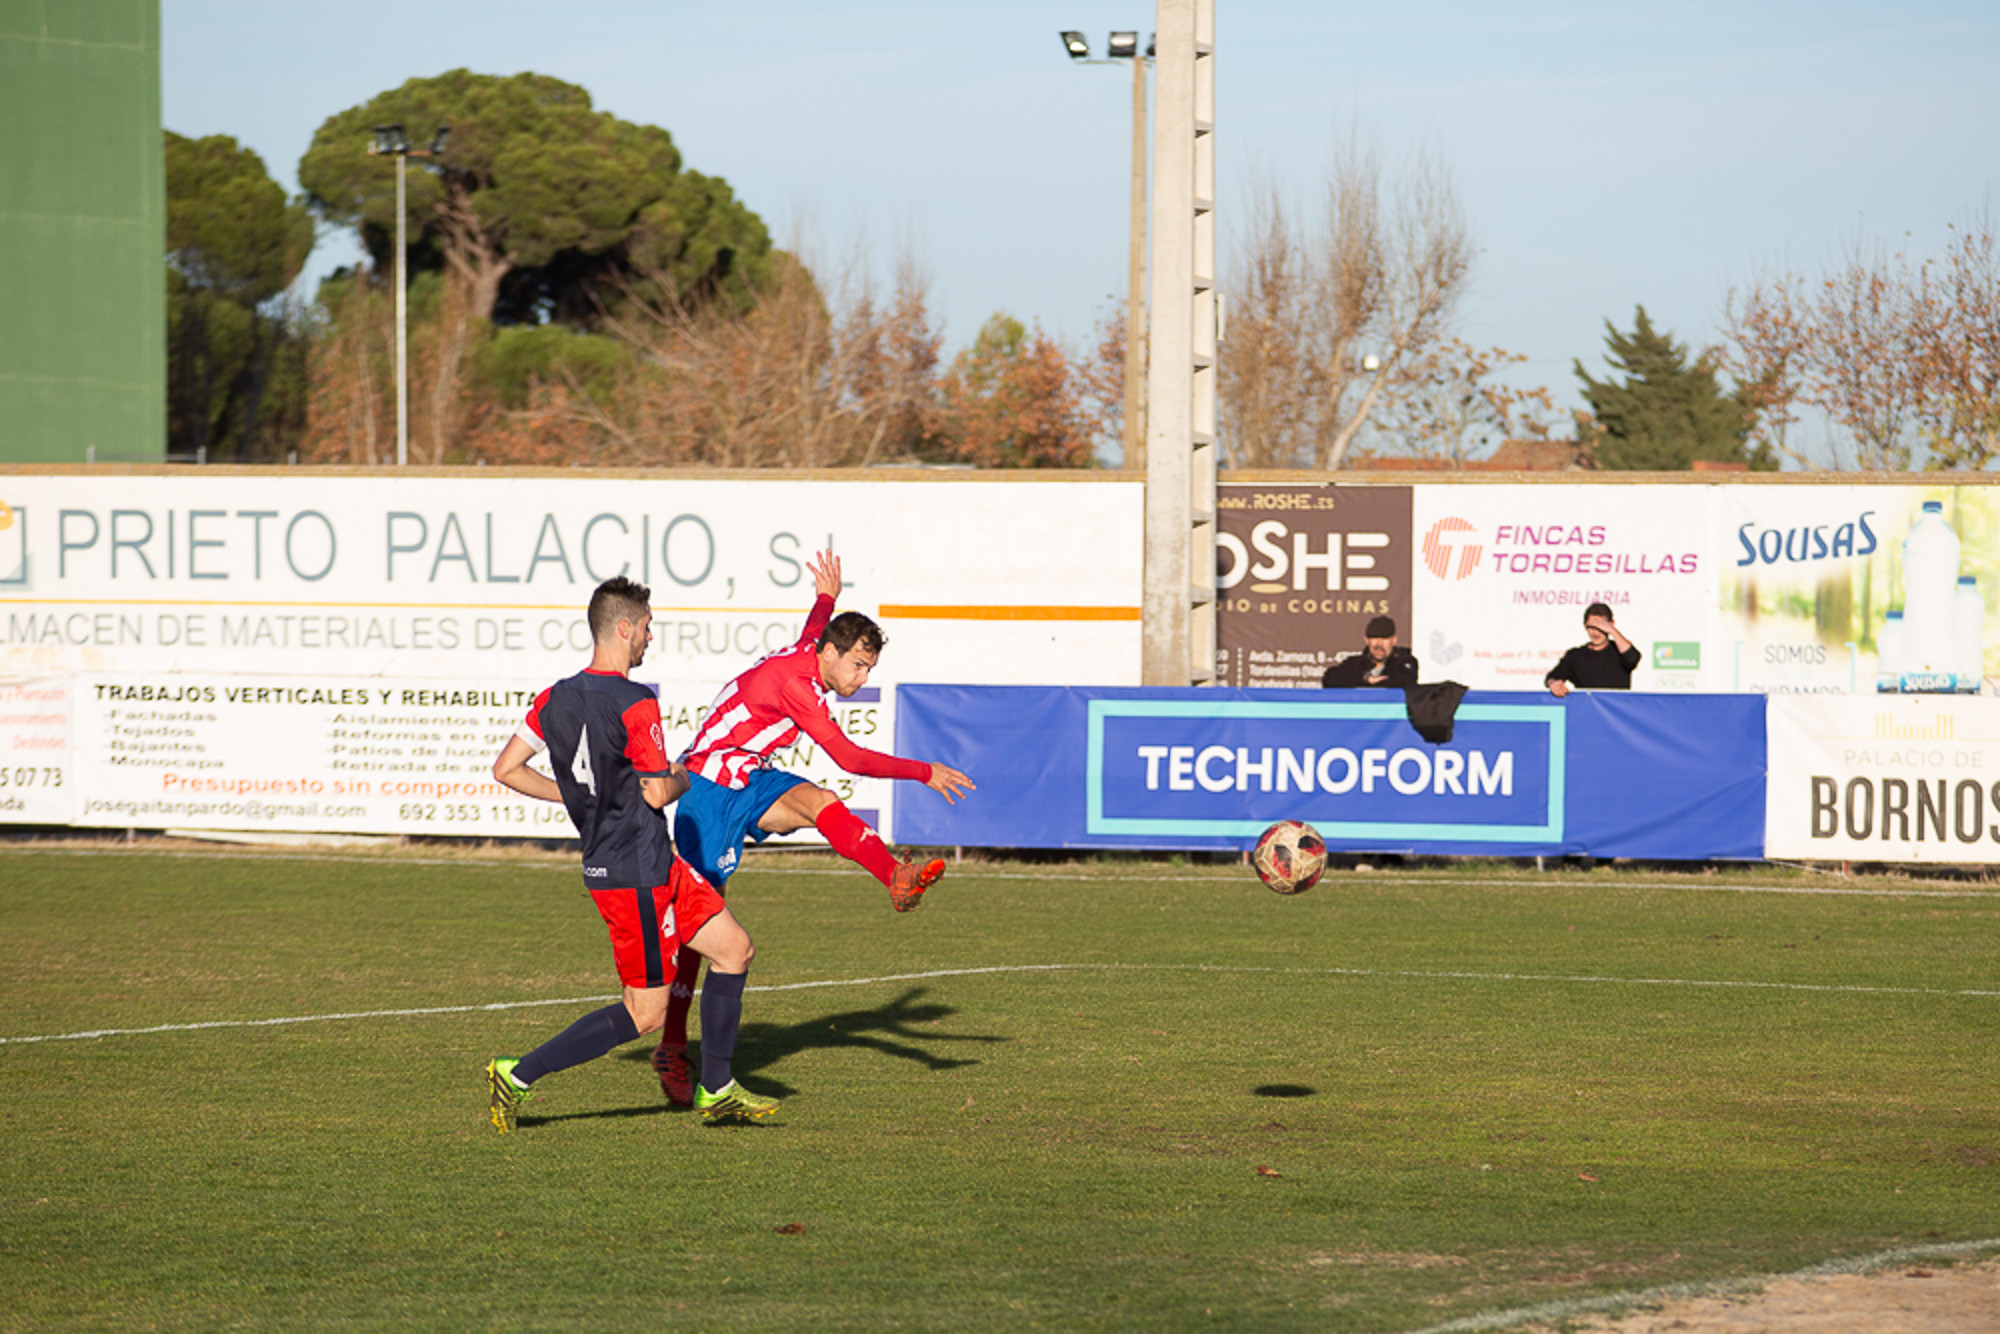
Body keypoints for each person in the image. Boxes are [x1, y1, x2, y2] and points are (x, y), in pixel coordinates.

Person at [651, 549, 975, 1107]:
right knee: (698, 929)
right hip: (706, 791)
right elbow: (849, 757)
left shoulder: (813, 651)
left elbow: (814, 628)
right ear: (830, 654)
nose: (862, 678)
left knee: (820, 802)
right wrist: (923, 771)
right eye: (858, 666)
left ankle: (896, 878)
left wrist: (827, 597)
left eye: (869, 669)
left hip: (750, 778)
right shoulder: (797, 685)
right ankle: (672, 1047)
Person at [486, 575, 777, 1129]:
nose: (650, 637)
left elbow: (506, 769)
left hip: (655, 861)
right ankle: (517, 1074)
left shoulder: (553, 698)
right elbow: (658, 791)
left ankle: (717, 1087)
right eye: (647, 626)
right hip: (631, 874)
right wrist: (687, 775)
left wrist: (578, 795)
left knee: (734, 950)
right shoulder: (636, 702)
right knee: (645, 1014)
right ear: (624, 628)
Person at [1545, 602, 1641, 696]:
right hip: (1587, 706)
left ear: (1611, 625)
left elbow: (1633, 658)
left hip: (1616, 706)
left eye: (1600, 627)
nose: (1595, 633)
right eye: (1591, 627)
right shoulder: (1576, 656)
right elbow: (1552, 677)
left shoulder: (1619, 652)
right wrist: (1554, 684)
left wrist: (1612, 631)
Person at [1321, 615, 1420, 689]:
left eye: (1384, 638)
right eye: (1374, 638)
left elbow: (1404, 683)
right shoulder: (1355, 664)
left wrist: (1371, 684)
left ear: (1394, 641)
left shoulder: (1405, 662)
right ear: (1366, 640)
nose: (1379, 644)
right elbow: (1329, 679)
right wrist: (1365, 679)